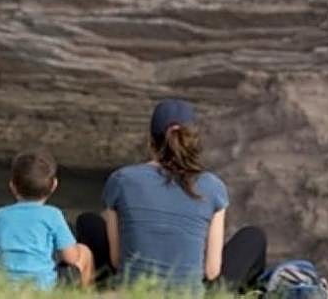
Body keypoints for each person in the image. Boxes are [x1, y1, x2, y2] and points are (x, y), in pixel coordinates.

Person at [75, 99, 267, 290]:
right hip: (190, 293)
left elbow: (117, 261)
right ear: (193, 141)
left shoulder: (121, 180)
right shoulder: (213, 187)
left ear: (151, 141)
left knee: (87, 221)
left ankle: (99, 289)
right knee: (254, 237)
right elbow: (211, 271)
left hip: (132, 289)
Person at [0, 148, 94, 288]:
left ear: (12, 186)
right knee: (84, 252)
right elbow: (71, 257)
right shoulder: (53, 215)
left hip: (4, 286)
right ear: (54, 185)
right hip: (44, 287)